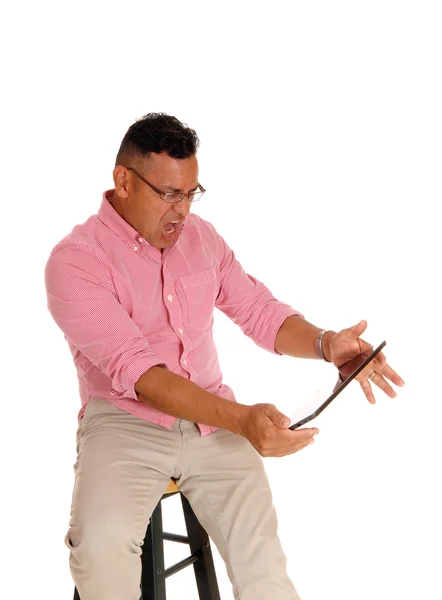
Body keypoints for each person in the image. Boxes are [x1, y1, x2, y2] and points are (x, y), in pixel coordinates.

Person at [44, 113, 404, 600]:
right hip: (124, 423)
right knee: (101, 556)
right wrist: (244, 420)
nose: (182, 210)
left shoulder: (202, 240)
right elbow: (142, 375)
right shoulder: (76, 261)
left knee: (266, 574)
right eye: (169, 193)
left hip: (216, 425)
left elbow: (259, 312)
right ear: (123, 180)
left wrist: (326, 345)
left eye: (191, 193)